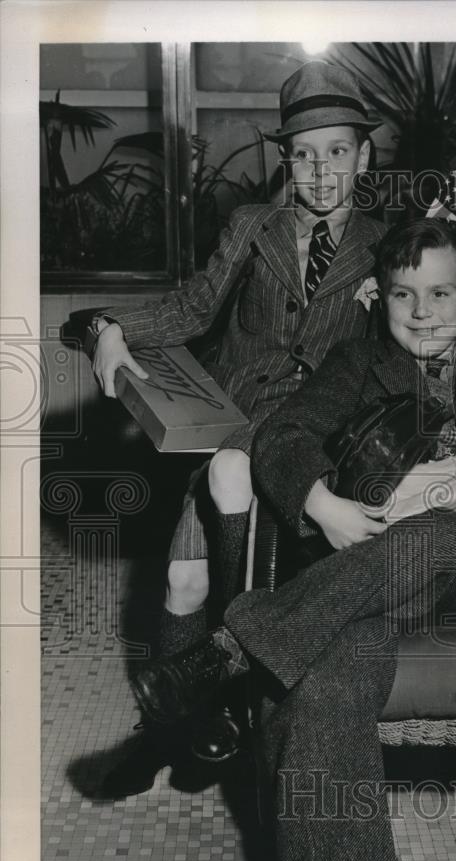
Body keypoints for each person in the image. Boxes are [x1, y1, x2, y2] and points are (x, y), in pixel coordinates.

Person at [130, 217, 456, 861]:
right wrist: (321, 505)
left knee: (441, 533)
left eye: (439, 294)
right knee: (331, 673)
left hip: (440, 571)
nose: (422, 313)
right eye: (403, 295)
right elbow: (286, 435)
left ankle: (232, 645)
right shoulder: (357, 362)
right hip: (348, 586)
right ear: (381, 298)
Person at [88, 61, 387, 786]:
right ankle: (173, 727)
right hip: (234, 425)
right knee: (183, 582)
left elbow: (433, 327)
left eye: (338, 151)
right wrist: (104, 323)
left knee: (287, 585)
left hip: (316, 445)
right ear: (285, 159)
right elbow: (192, 309)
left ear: (366, 156)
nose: (321, 172)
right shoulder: (254, 226)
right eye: (305, 154)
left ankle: (217, 694)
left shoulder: (389, 243)